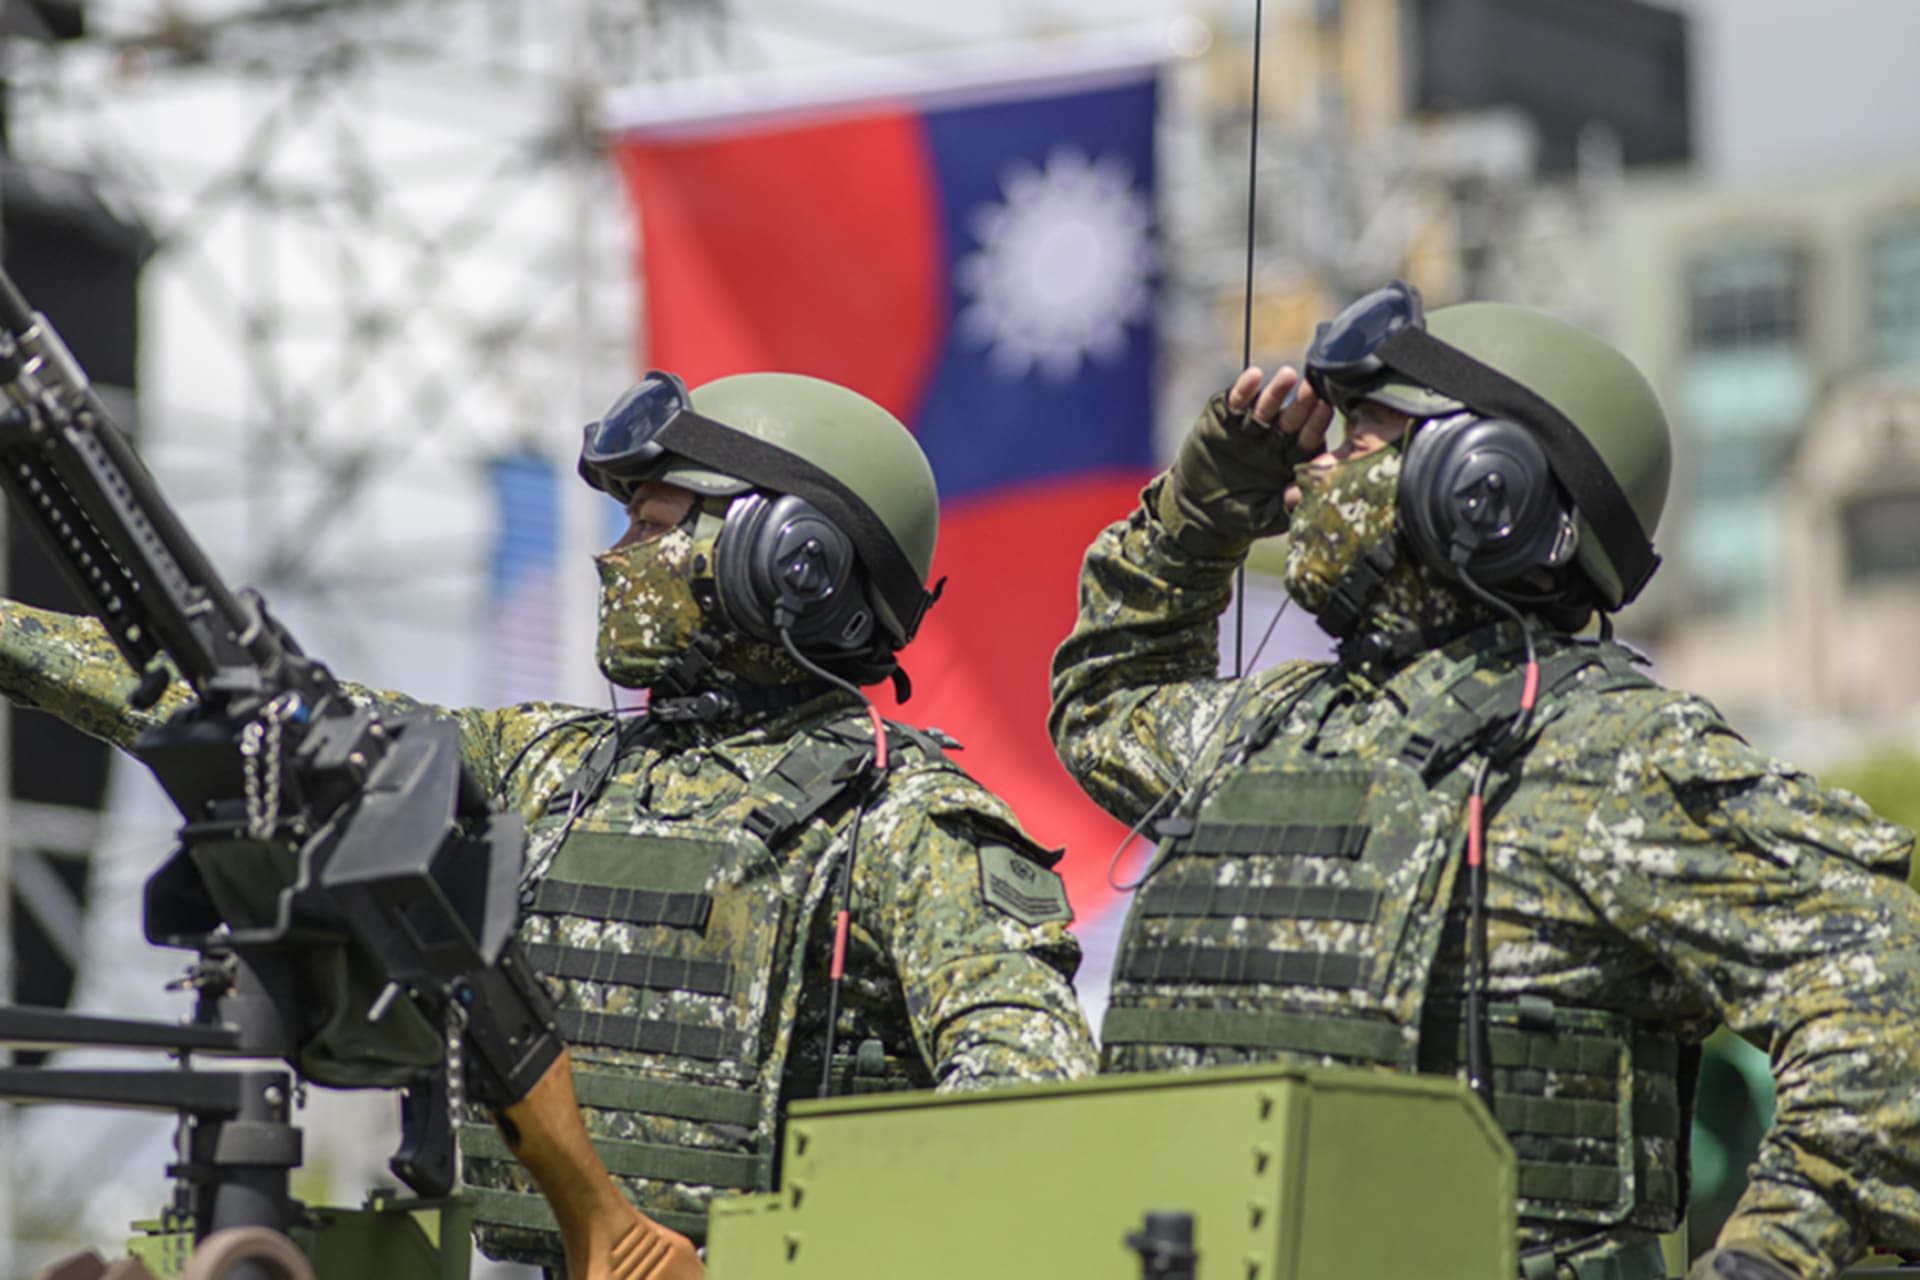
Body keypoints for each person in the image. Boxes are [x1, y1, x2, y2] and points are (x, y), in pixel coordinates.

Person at [0, 369, 1096, 1270]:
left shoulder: (906, 822)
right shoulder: (552, 765)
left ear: (788, 561)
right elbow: (272, 725)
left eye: (655, 518)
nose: (616, 554)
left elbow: (1032, 1128)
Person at [1049, 281, 1920, 1280]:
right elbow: (1108, 699)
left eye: (1361, 441)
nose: (1311, 473)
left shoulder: (1611, 752)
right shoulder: (1276, 723)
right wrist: (1199, 508)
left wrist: (1767, 1257)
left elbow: (1888, 998)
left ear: (1481, 485)